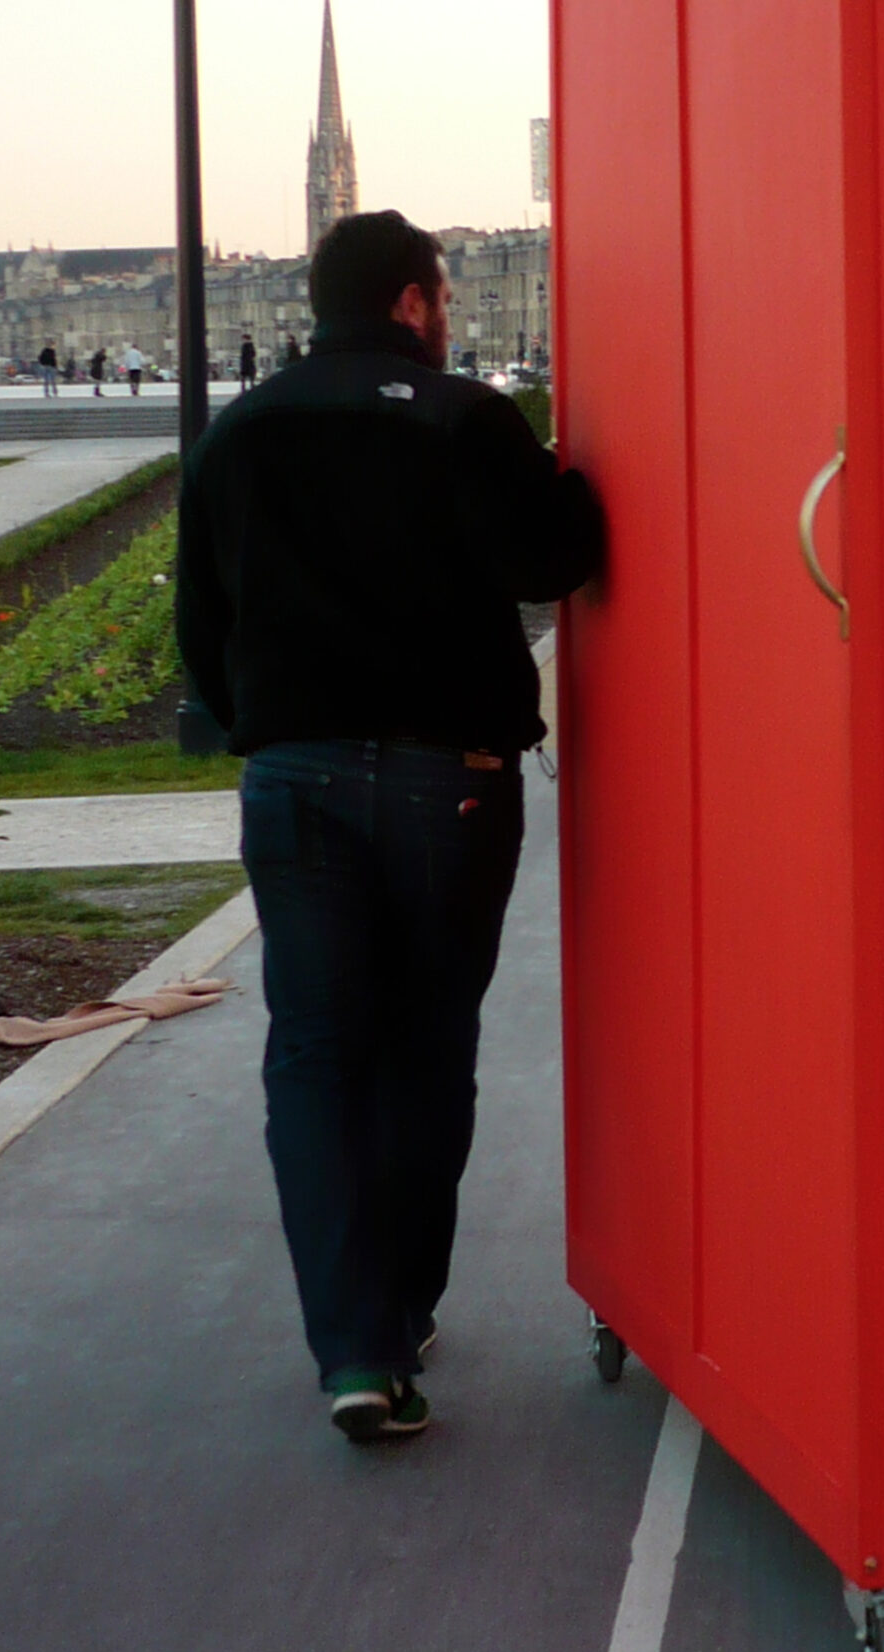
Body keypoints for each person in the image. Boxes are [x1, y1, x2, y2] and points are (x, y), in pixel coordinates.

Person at [176, 209, 605, 1443]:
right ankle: (406, 1302)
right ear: (414, 303)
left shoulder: (237, 433)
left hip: (294, 780)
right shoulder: (466, 418)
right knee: (425, 1045)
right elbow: (553, 561)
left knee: (312, 1054)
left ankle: (355, 1348)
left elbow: (203, 630)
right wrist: (570, 473)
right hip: (447, 780)